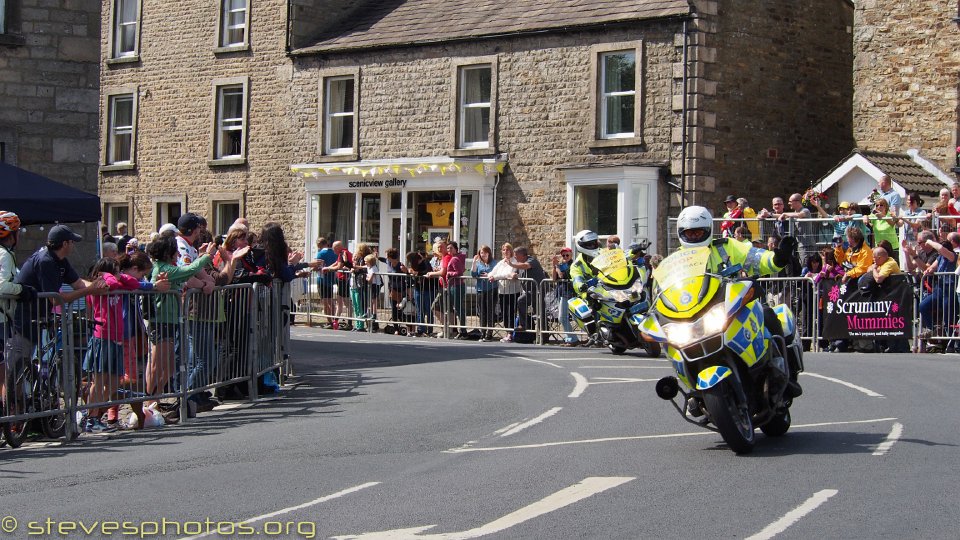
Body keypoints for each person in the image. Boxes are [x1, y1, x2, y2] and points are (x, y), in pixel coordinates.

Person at [670, 206, 802, 396]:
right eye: (689, 233)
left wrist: (776, 259)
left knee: (767, 314)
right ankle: (693, 388)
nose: (694, 236)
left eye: (698, 232)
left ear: (708, 230)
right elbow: (664, 287)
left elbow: (753, 257)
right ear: (681, 233)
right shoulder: (676, 259)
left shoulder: (725, 246)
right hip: (696, 314)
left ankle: (783, 374)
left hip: (731, 304)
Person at [0, 211, 29, 411]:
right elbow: (1, 285)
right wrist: (22, 290)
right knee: (1, 371)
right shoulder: (4, 255)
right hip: (0, 319)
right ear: (12, 234)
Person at [568, 230, 602, 339]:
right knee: (593, 308)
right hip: (591, 293)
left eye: (594, 243)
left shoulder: (604, 254)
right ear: (581, 246)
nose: (593, 246)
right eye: (589, 244)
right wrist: (582, 285)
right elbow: (577, 280)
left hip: (609, 288)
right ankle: (595, 335)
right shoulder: (577, 265)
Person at [552, 247, 579, 346]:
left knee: (563, 317)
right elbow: (554, 278)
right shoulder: (562, 264)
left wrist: (557, 267)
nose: (565, 257)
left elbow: (562, 275)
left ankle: (572, 338)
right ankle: (571, 338)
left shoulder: (572, 264)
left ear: (571, 254)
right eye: (563, 255)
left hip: (568, 293)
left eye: (567, 255)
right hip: (561, 292)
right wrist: (554, 266)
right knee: (566, 317)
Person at [471, 245, 498, 342]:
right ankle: (482, 332)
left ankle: (489, 333)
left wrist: (489, 275)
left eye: (485, 252)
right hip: (480, 290)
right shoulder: (478, 263)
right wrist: (474, 262)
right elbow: (473, 274)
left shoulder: (494, 263)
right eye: (481, 253)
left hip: (491, 289)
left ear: (489, 253)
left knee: (490, 312)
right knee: (482, 312)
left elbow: (497, 273)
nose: (483, 255)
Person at [405, 251, 433, 336]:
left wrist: (417, 273)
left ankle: (429, 329)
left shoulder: (426, 262)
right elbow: (412, 275)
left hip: (428, 289)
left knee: (428, 310)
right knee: (419, 310)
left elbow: (428, 271)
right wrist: (407, 272)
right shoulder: (413, 265)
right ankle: (421, 329)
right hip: (418, 288)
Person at [315, 237, 338, 328]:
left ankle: (329, 321)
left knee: (325, 302)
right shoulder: (333, 252)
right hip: (331, 279)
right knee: (331, 301)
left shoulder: (321, 253)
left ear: (319, 245)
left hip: (322, 279)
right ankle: (334, 320)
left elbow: (317, 266)